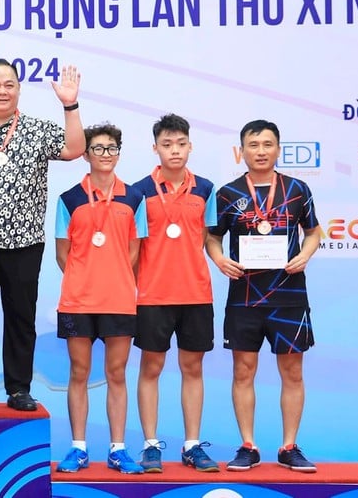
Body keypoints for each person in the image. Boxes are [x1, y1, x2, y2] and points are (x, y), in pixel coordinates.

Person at [0, 58, 84, 411]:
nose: (2, 91)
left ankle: (19, 388)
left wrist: (69, 105)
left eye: (9, 84)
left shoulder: (37, 130)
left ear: (19, 89)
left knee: (21, 318)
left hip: (24, 243)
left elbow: (74, 149)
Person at [206, 119, 321, 473]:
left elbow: (314, 231)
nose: (260, 151)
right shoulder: (226, 194)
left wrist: (306, 254)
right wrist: (220, 259)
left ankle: (289, 446)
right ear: (241, 151)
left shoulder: (298, 189)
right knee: (243, 371)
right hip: (244, 297)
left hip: (289, 296)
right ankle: (248, 445)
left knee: (293, 372)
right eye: (253, 145)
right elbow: (212, 237)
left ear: (278, 149)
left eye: (267, 144)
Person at [54, 123, 147, 475]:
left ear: (118, 153)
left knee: (116, 374)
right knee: (79, 373)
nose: (105, 154)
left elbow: (134, 252)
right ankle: (78, 448)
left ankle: (118, 449)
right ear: (86, 155)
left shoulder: (134, 199)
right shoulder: (69, 199)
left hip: (120, 300)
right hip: (78, 301)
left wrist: (112, 277)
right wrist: (85, 278)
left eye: (111, 148)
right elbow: (63, 254)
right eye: (98, 148)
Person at [129, 114, 219, 472]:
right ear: (155, 148)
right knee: (151, 367)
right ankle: (151, 445)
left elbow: (207, 237)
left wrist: (221, 260)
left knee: (192, 367)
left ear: (190, 146)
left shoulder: (206, 189)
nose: (175, 151)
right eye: (167, 145)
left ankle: (192, 445)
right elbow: (134, 248)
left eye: (181, 144)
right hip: (152, 295)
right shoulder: (138, 191)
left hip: (196, 293)